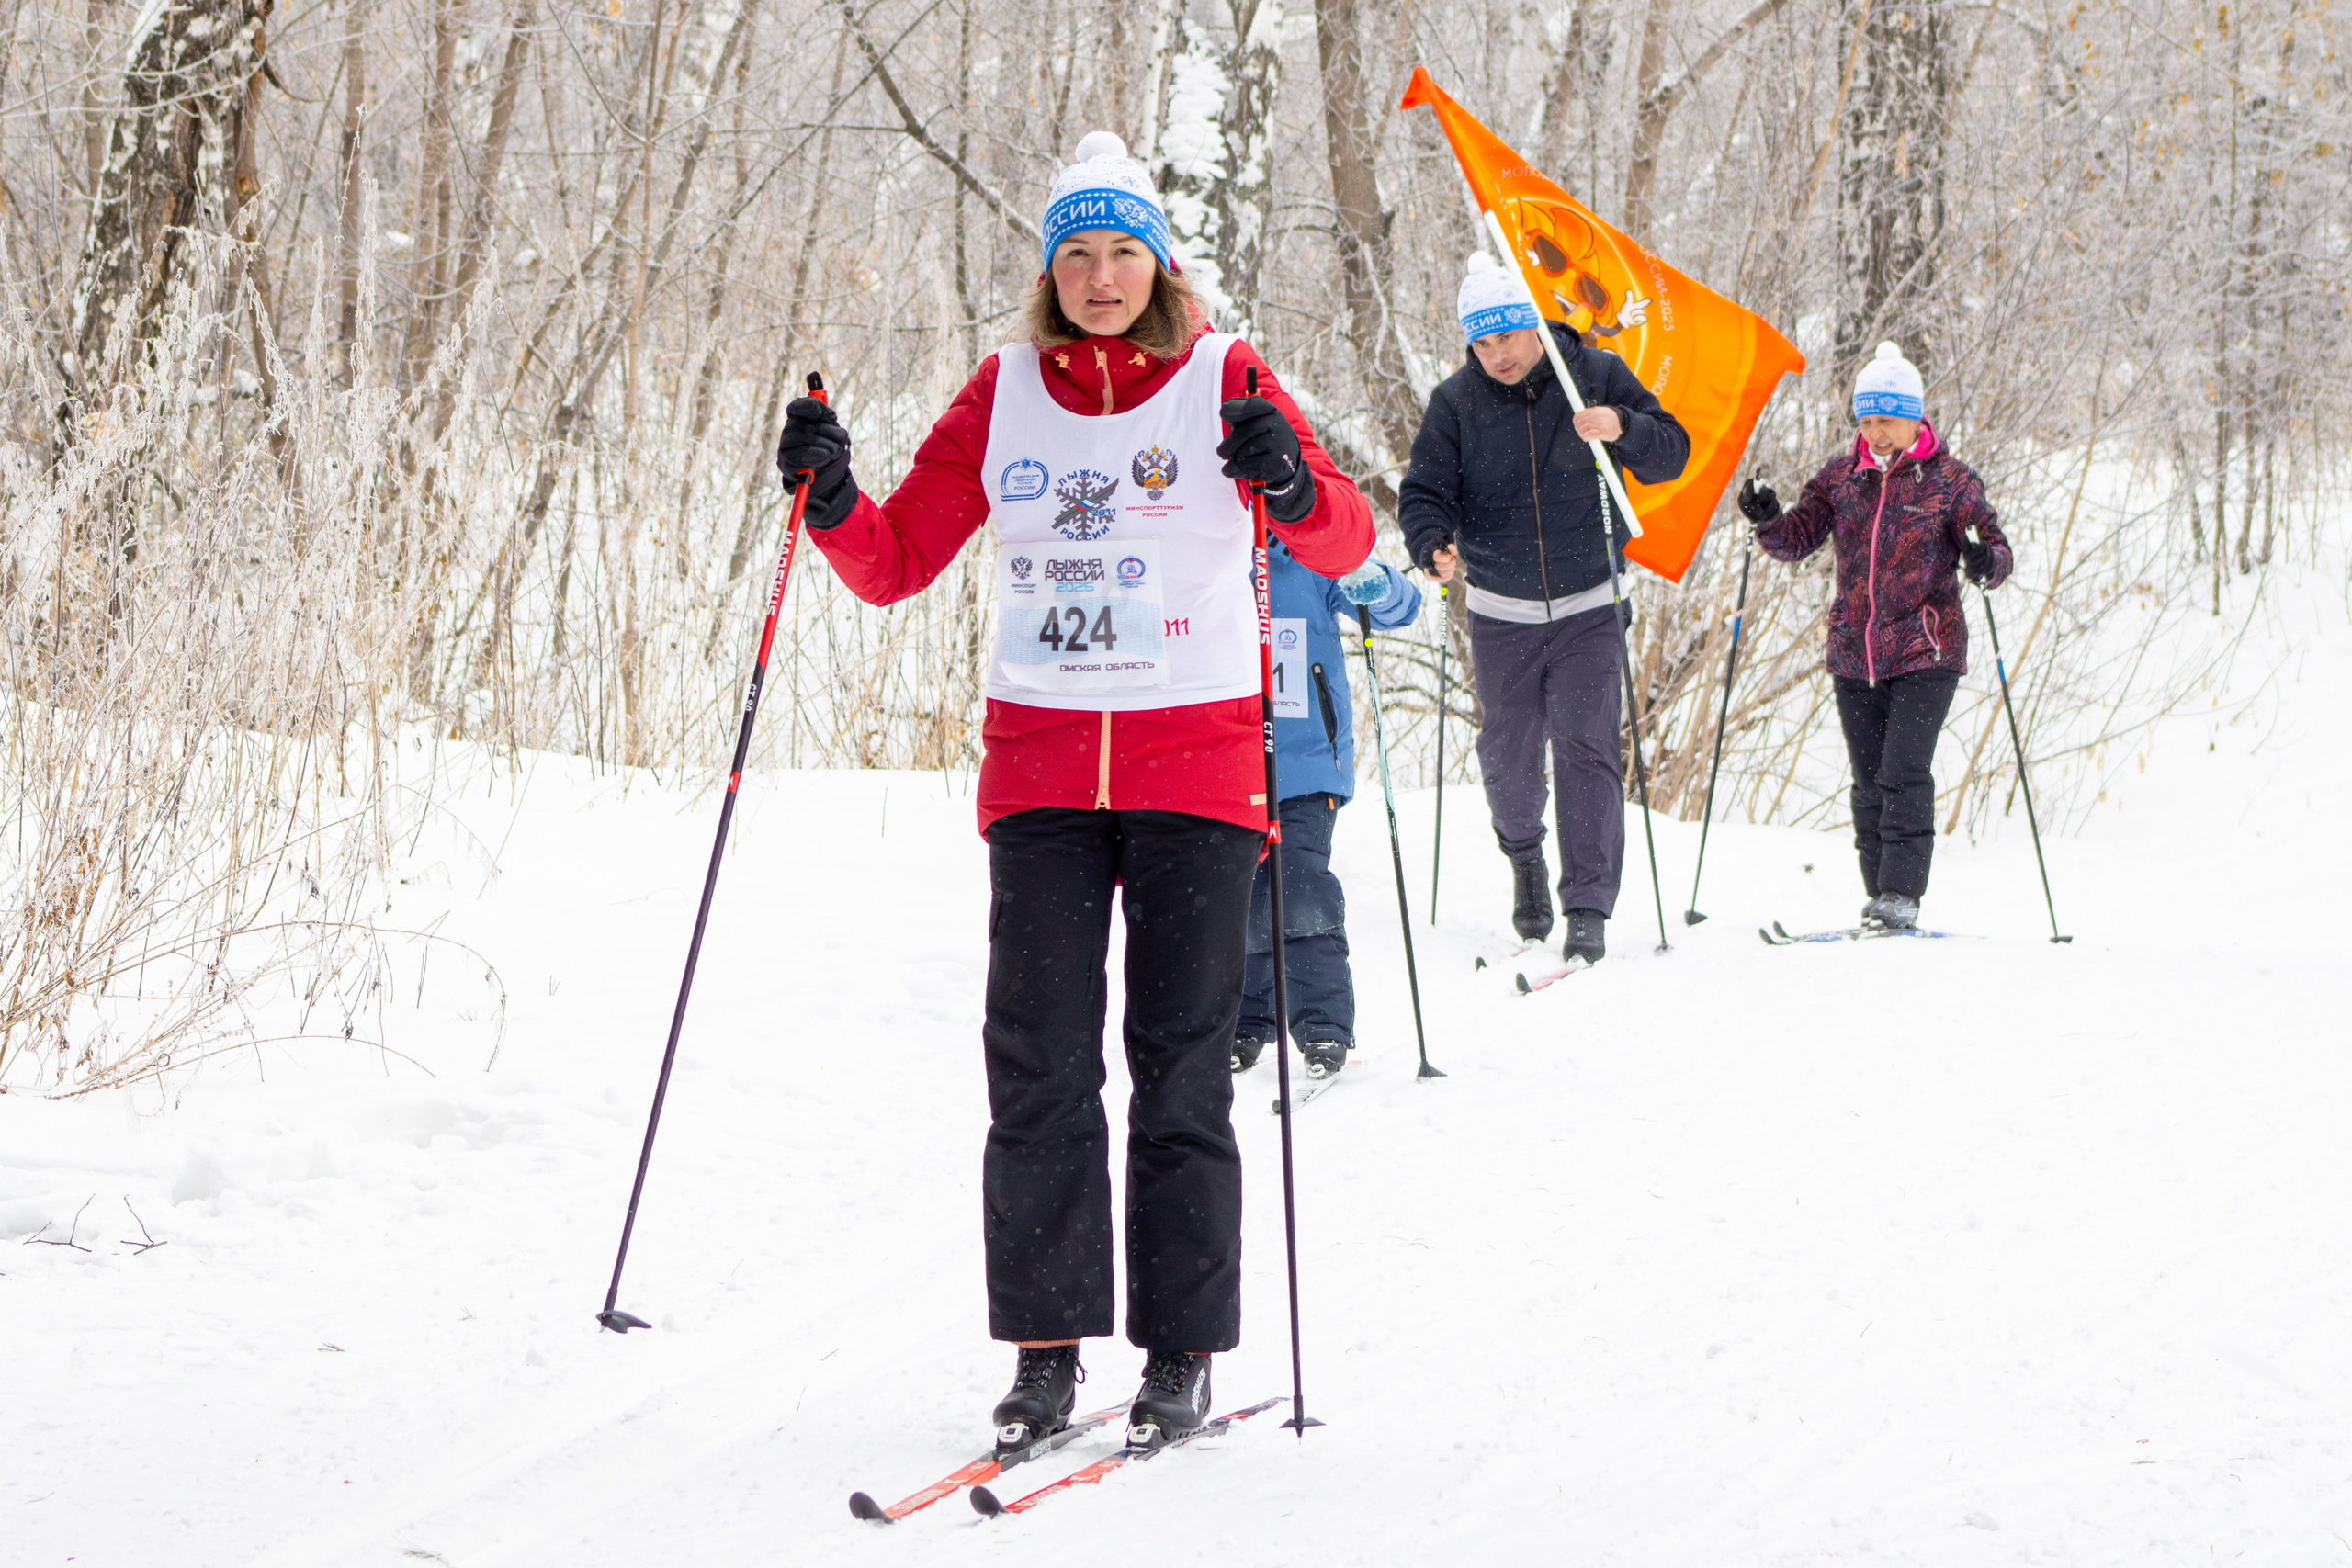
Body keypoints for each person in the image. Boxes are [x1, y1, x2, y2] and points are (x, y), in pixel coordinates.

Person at [776, 132, 1373, 1451]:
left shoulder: (1224, 373)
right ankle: (1046, 1352)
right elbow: (894, 561)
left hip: (1196, 769)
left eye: (1122, 252)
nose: (1101, 277)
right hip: (1045, 771)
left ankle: (1179, 1352)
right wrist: (831, 498)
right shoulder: (1003, 391)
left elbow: (1343, 536)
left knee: (1179, 1064)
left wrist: (1286, 477)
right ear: (1050, 271)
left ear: (1160, 263)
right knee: (1039, 1062)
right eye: (1077, 255)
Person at [1397, 254, 1690, 964]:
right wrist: (1430, 542)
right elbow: (1424, 491)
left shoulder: (1594, 373)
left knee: (1587, 748)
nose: (1496, 354)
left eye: (1507, 336)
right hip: (1502, 611)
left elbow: (1671, 452)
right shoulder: (1455, 402)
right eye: (1481, 343)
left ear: (1533, 326)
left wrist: (1622, 425)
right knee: (1510, 757)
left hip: (1591, 601)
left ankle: (1587, 907)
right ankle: (1525, 855)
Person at [1739, 340, 2013, 930]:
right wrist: (1767, 518)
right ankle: (1880, 898)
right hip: (1853, 653)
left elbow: (1998, 551)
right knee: (1868, 785)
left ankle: (1900, 895)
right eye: (1866, 421)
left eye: (1886, 420)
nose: (1876, 433)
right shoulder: (1841, 478)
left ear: (1914, 417)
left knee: (1902, 772)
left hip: (1926, 649)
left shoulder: (1950, 482)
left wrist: (1985, 561)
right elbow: (1796, 540)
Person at [1230, 544, 1422, 1080]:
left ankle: (1323, 1027)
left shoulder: (1310, 552)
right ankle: (1245, 1022)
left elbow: (1402, 608)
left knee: (1299, 886)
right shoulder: (1215, 550)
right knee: (1237, 893)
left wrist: (1376, 581)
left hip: (1307, 764)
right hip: (1229, 764)